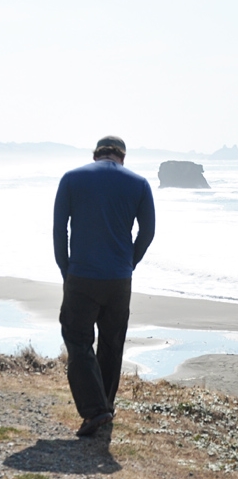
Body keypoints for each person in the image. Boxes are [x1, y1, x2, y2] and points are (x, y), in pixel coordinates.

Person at [53, 136, 155, 436]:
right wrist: (129, 263)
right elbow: (148, 232)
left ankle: (96, 411)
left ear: (95, 154)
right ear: (122, 156)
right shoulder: (139, 183)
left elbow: (60, 229)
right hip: (118, 280)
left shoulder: (72, 178)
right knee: (112, 344)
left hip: (81, 276)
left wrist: (66, 269)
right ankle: (105, 407)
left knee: (78, 341)